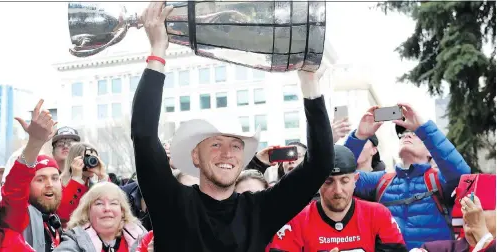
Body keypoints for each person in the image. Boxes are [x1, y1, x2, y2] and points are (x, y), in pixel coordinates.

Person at [130, 2, 334, 251]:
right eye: (216, 144)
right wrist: (158, 50)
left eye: (236, 146)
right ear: (195, 155)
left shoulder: (259, 211)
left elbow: (321, 164)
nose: (227, 153)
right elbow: (143, 134)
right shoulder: (172, 203)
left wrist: (310, 85)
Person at [344, 104, 471, 249]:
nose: (407, 135)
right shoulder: (381, 181)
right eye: (403, 134)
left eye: (415, 134)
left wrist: (423, 127)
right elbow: (340, 177)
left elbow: (462, 175)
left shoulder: (438, 180)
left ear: (431, 151)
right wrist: (359, 137)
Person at [267, 145, 407, 252]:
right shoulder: (295, 220)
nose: (338, 190)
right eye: (328, 182)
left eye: (345, 180)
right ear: (316, 182)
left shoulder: (378, 214)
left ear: (356, 179)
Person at [0, 99, 84, 252]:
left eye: (54, 178)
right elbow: (15, 188)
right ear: (27, 185)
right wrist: (35, 142)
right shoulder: (20, 217)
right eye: (40, 179)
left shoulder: (53, 219)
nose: (49, 184)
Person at [55, 182, 146, 252]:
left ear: (122, 211)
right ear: (87, 211)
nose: (107, 209)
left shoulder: (141, 236)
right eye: (99, 203)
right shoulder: (75, 239)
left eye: (113, 203)